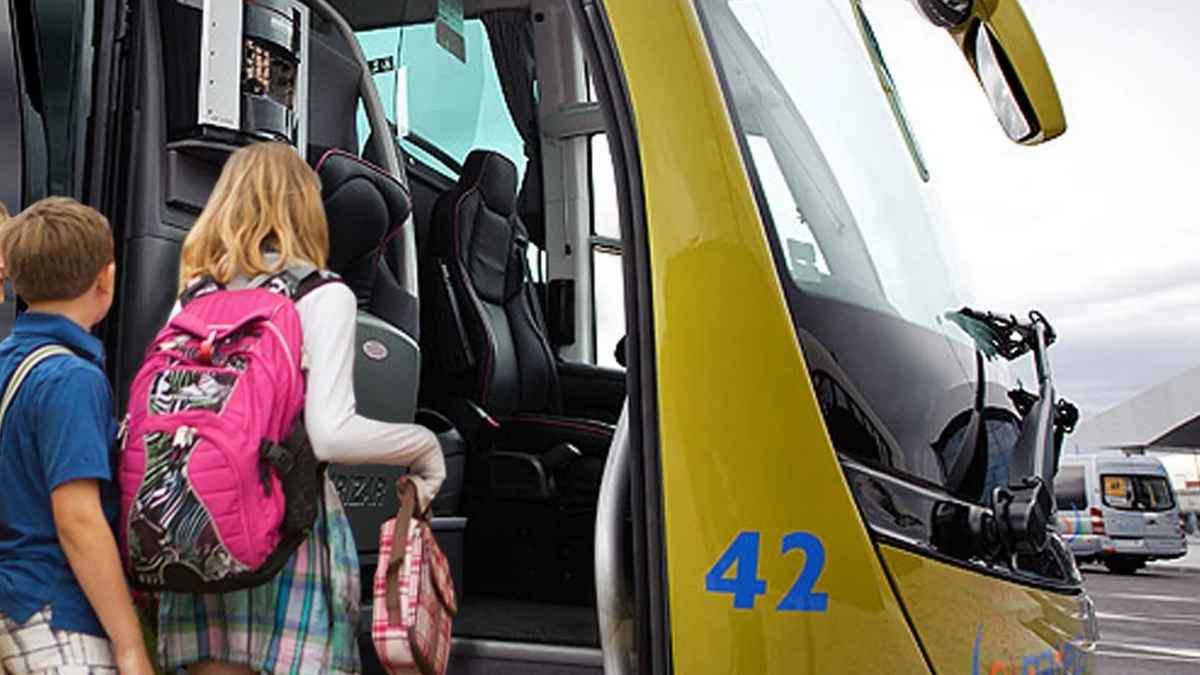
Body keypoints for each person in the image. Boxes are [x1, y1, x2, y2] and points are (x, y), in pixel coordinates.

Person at [156, 142, 446, 675]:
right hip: (286, 527)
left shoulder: (194, 296)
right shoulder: (320, 293)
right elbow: (331, 434)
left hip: (198, 527)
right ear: (305, 208)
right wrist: (422, 447)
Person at [0, 197, 154, 674]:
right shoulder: (72, 378)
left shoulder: (8, 361)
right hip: (55, 608)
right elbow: (77, 519)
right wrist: (129, 643)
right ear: (105, 278)